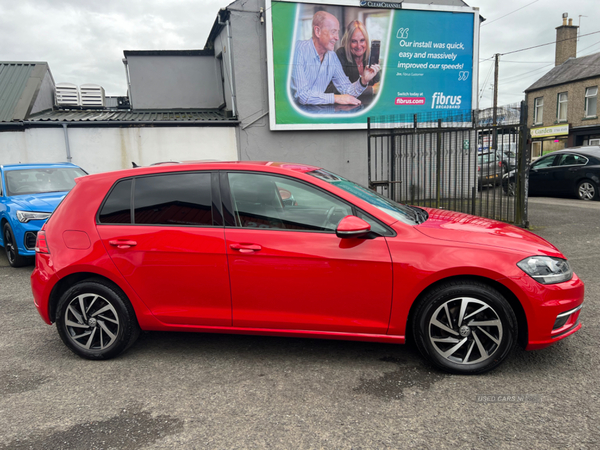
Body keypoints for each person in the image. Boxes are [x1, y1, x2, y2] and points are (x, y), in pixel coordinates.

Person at [290, 11, 380, 106]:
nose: (337, 38)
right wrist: (337, 98)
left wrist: (363, 81)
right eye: (333, 32)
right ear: (317, 31)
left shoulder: (332, 56)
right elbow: (302, 96)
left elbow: (346, 90)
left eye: (337, 32)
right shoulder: (298, 50)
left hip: (316, 112)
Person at [327, 20, 380, 96]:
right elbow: (336, 90)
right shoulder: (340, 55)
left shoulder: (370, 55)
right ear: (348, 42)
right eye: (354, 41)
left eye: (362, 40)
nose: (359, 46)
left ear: (366, 41)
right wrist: (371, 90)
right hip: (347, 106)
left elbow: (379, 86)